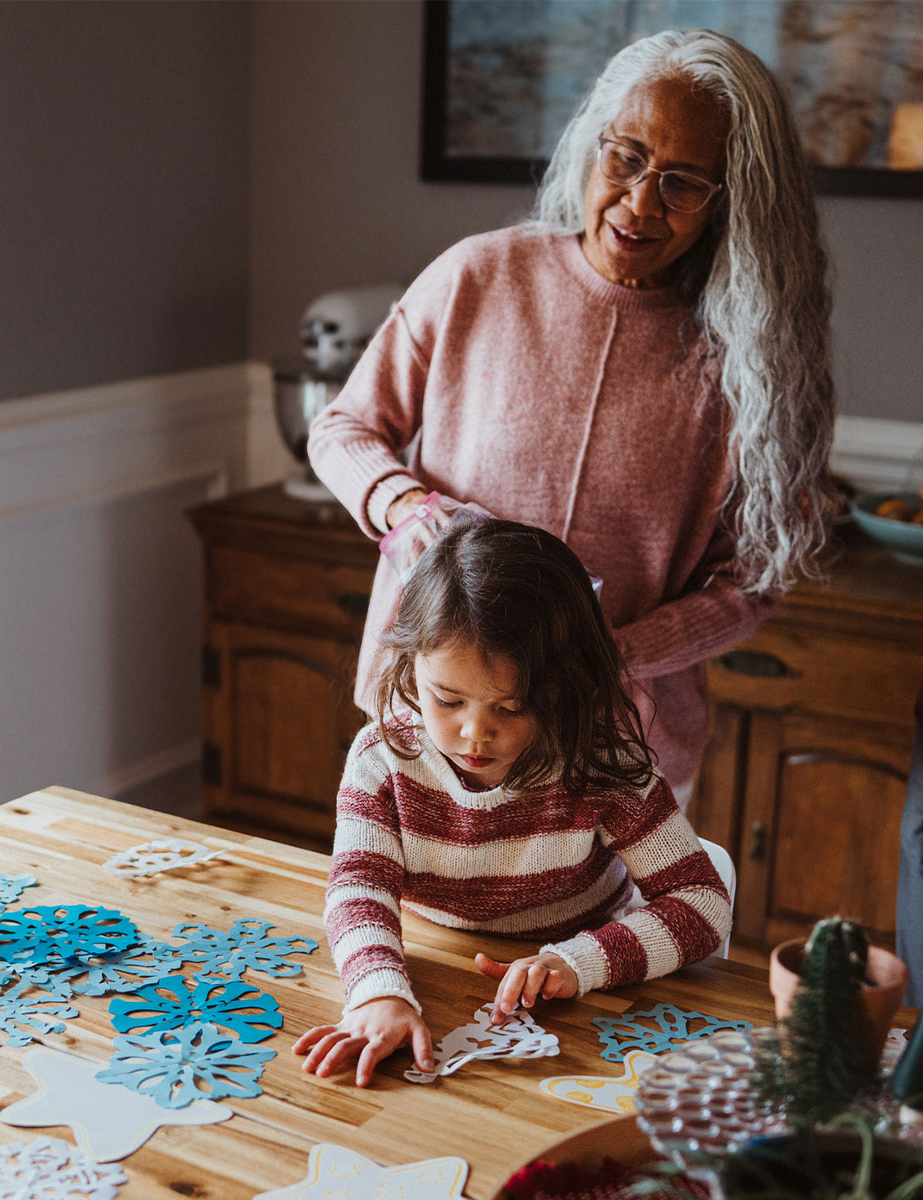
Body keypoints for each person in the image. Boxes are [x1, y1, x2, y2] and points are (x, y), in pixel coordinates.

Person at [308, 28, 835, 794]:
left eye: (684, 183)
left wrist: (614, 652)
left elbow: (751, 580)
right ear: (594, 144)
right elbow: (344, 428)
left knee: (614, 920)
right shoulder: (479, 275)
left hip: (616, 743)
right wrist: (404, 507)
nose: (639, 202)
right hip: (433, 721)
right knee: (404, 912)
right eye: (626, 158)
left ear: (731, 203)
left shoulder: (749, 360)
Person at [296, 519, 732, 1086]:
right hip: (439, 960)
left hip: (578, 1007)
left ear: (570, 687)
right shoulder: (383, 756)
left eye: (512, 707)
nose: (476, 733)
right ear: (409, 666)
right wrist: (377, 992)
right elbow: (357, 888)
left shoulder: (602, 765)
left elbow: (701, 901)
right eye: (447, 699)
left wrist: (576, 962)